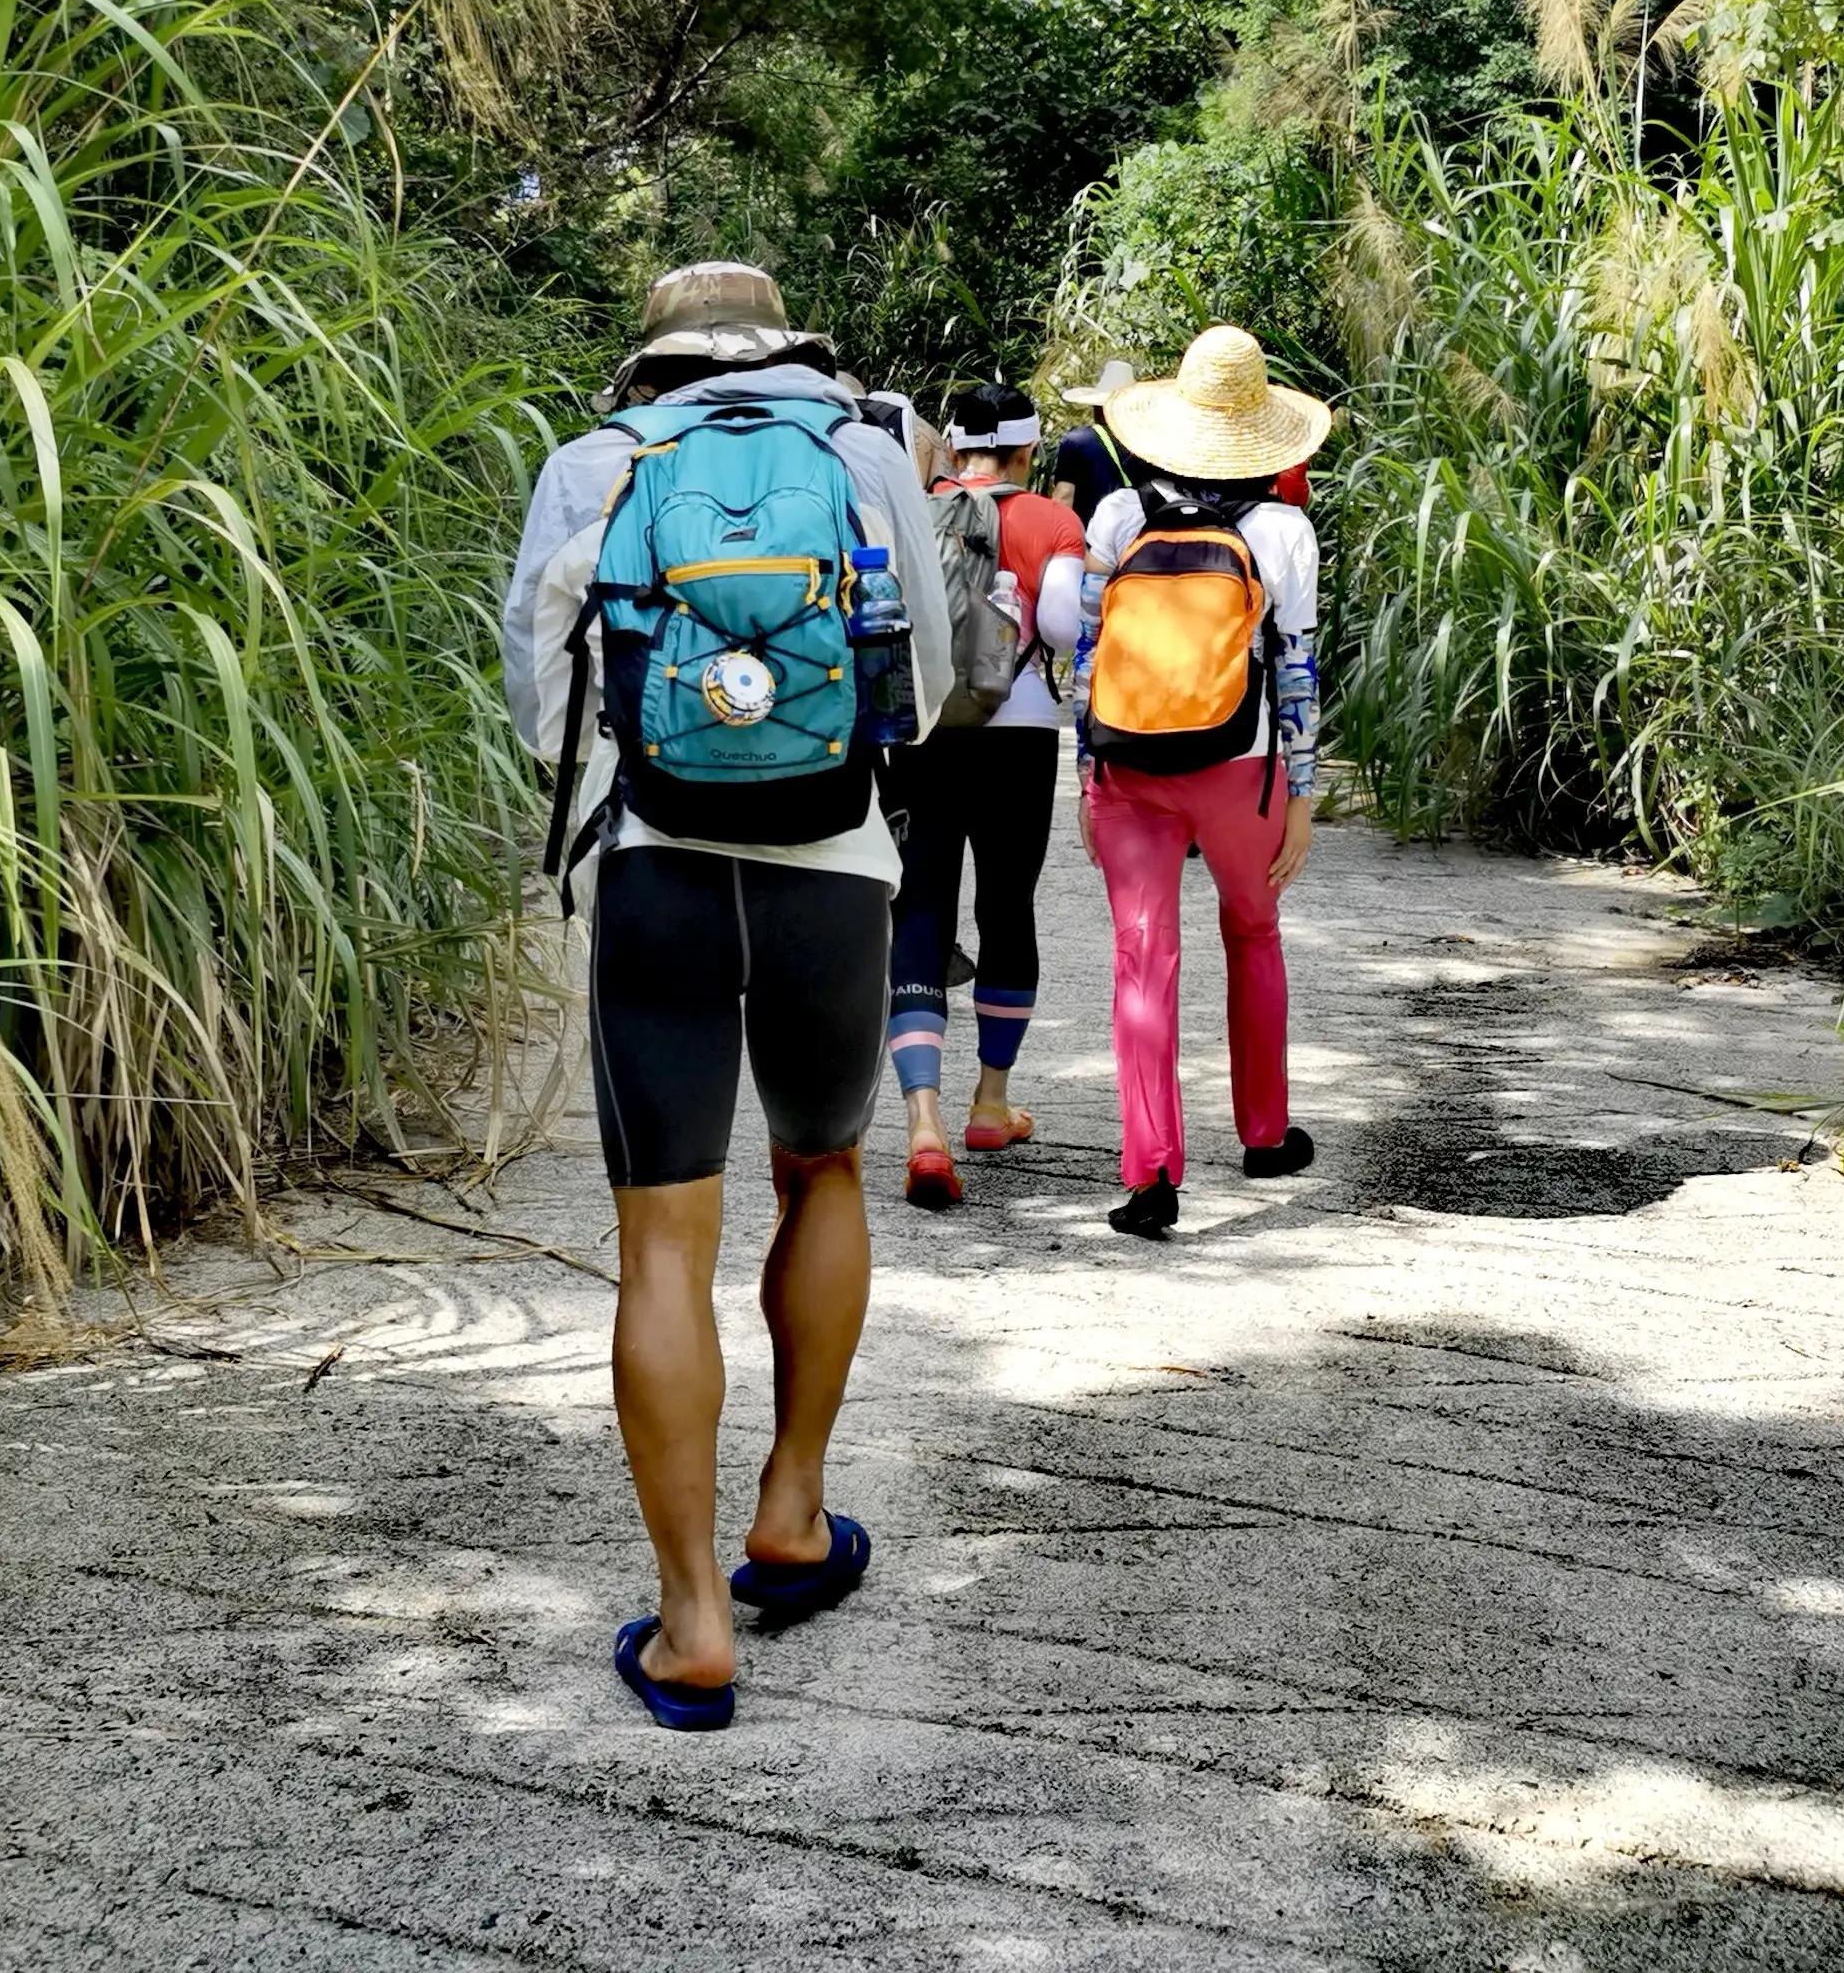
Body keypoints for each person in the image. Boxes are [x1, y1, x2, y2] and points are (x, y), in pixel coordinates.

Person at [503, 262, 953, 1729]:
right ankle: (794, 1515)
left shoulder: (596, 462)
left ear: (658, 355)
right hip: (836, 873)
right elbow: (926, 686)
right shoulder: (869, 453)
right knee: (821, 1168)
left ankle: (695, 1621)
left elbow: (540, 699)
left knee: (661, 1247)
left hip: (658, 878)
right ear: (787, 343)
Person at [1038, 326, 1332, 1241]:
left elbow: (1090, 653)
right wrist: (1306, 794)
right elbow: (1297, 670)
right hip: (1238, 771)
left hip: (1128, 763)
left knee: (1142, 958)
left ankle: (1151, 1176)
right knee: (1254, 929)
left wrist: (1088, 772)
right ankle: (1264, 1133)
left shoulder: (1122, 519)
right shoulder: (1282, 529)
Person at [887, 382, 1085, 1210]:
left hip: (926, 729)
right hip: (1021, 731)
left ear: (955, 446)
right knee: (1008, 906)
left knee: (922, 908)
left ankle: (922, 1122)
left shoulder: (911, 511)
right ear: (1027, 450)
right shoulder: (1048, 520)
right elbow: (1069, 627)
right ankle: (990, 1105)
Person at [1046, 360, 1136, 519]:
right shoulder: (1146, 442)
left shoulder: (1077, 441)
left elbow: (1064, 496)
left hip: (1090, 537)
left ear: (1096, 406)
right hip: (1140, 537)